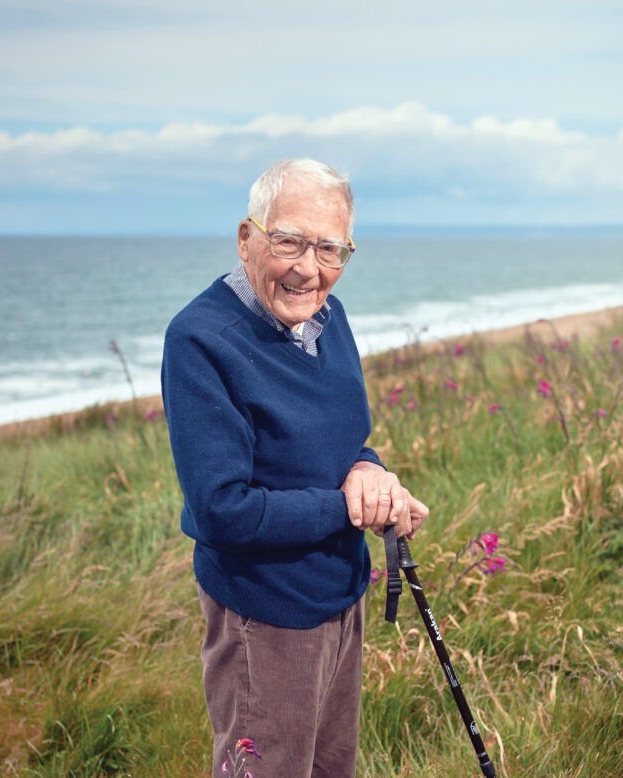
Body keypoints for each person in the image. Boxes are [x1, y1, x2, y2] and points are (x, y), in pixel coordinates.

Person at [161, 158, 429, 777]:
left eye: (330, 250)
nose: (309, 268)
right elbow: (224, 511)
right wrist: (348, 506)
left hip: (340, 595)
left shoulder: (328, 319)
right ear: (247, 238)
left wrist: (369, 470)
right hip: (265, 615)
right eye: (289, 241)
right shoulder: (201, 340)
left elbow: (346, 441)